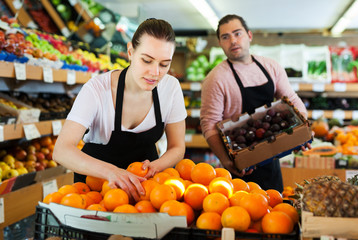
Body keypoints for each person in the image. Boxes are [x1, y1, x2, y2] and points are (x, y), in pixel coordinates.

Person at [53, 19, 187, 201]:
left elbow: (177, 146)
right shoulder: (97, 90)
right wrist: (113, 173)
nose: (155, 72)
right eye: (147, 61)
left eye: (164, 64)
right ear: (131, 52)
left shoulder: (170, 88)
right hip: (96, 191)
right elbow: (61, 150)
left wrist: (156, 166)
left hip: (144, 189)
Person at [200, 14, 308, 192]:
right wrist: (227, 162)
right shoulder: (215, 79)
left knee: (275, 211)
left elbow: (291, 98)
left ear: (249, 36)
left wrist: (302, 131)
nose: (233, 41)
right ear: (220, 43)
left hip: (272, 154)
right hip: (240, 163)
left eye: (237, 33)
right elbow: (209, 124)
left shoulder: (270, 67)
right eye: (225, 37)